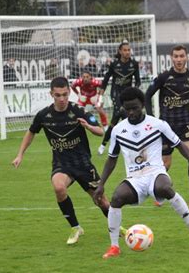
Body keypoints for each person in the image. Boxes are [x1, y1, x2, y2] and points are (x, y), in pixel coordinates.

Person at [94, 87, 189, 259]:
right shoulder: (118, 130)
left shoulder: (158, 125)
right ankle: (114, 247)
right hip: (135, 177)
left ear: (142, 104)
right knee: (117, 198)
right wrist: (101, 184)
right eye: (127, 109)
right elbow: (112, 159)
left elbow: (179, 144)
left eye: (134, 107)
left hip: (156, 172)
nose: (131, 112)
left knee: (165, 188)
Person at [11, 76, 116, 245]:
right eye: (58, 95)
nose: (62, 99)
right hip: (62, 164)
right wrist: (20, 154)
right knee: (59, 187)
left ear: (69, 93)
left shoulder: (78, 110)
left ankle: (116, 227)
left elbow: (100, 131)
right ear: (51, 94)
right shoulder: (44, 115)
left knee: (101, 200)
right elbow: (31, 132)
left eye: (65, 94)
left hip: (83, 164)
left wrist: (88, 127)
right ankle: (75, 227)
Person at [145, 45, 189, 207]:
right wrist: (151, 118)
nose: (179, 59)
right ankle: (157, 190)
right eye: (176, 56)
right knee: (165, 164)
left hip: (186, 123)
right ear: (172, 58)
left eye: (182, 56)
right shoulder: (164, 77)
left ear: (186, 57)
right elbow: (147, 95)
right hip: (167, 126)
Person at [97, 41, 141, 155]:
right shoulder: (114, 64)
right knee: (124, 114)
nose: (127, 52)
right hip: (116, 94)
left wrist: (135, 91)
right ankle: (132, 145)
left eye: (129, 50)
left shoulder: (134, 64)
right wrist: (100, 94)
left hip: (128, 95)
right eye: (125, 50)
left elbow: (138, 81)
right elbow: (106, 79)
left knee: (116, 120)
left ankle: (104, 144)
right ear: (120, 51)